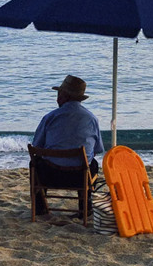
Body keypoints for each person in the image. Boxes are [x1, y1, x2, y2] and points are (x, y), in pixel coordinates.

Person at [32, 75, 104, 214]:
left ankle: (40, 208)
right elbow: (97, 149)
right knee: (93, 164)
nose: (57, 98)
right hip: (79, 178)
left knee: (35, 163)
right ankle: (85, 207)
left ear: (66, 96)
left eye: (59, 94)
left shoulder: (50, 117)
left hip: (50, 176)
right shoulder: (91, 119)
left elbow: (37, 147)